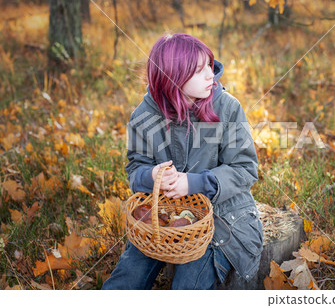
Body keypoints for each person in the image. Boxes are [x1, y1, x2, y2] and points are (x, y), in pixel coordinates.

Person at [102, 33, 263, 290]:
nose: (211, 74)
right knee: (124, 281)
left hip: (223, 219)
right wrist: (151, 175)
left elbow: (245, 169)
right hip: (162, 218)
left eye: (210, 65)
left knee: (186, 288)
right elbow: (135, 168)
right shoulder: (144, 115)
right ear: (172, 77)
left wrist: (195, 183)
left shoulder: (227, 108)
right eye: (200, 70)